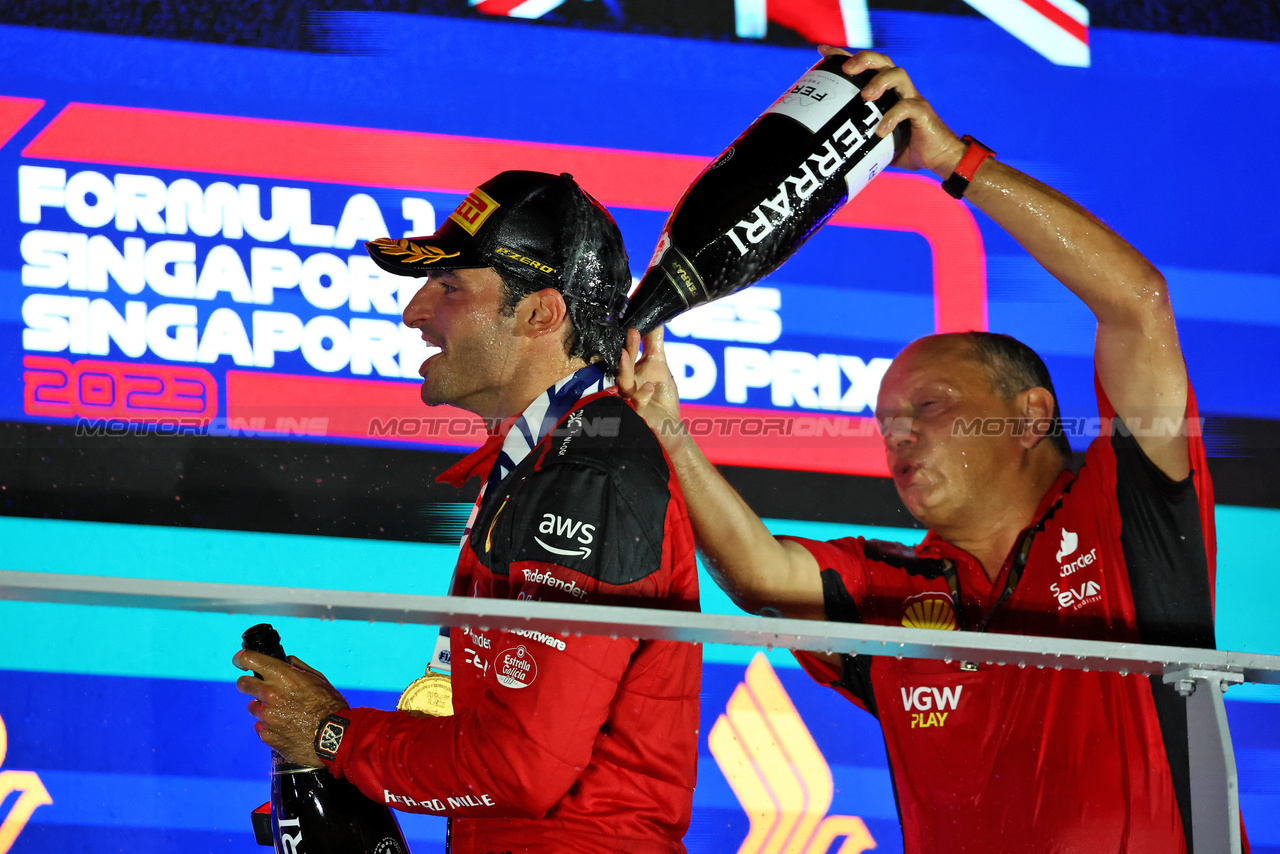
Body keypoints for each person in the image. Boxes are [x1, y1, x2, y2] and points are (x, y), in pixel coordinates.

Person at [618, 49, 1235, 853]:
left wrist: (955, 162)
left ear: (1029, 415)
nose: (898, 434)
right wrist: (664, 419)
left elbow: (1137, 304)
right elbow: (759, 573)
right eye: (885, 424)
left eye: (930, 407)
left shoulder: (1126, 509)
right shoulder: (890, 590)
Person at [235, 170, 702, 854]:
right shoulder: (547, 459)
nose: (415, 313)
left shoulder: (588, 471)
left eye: (449, 288)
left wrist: (333, 735)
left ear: (541, 313)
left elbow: (523, 767)